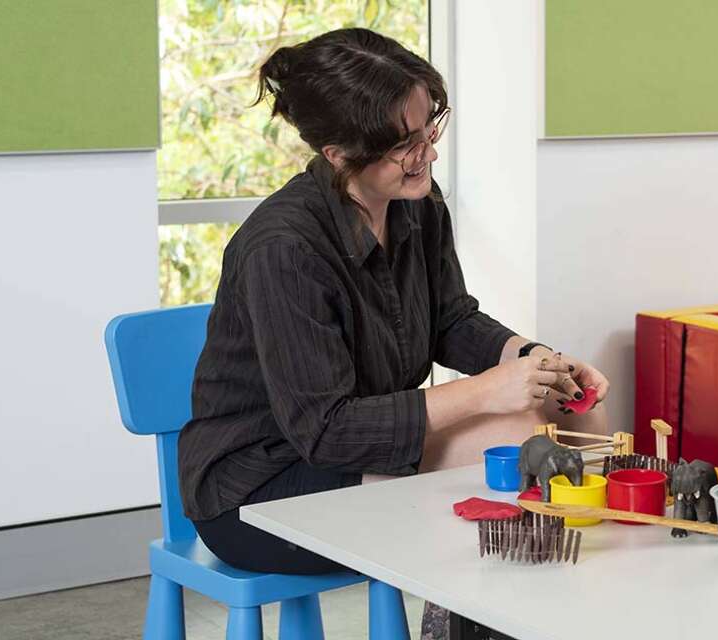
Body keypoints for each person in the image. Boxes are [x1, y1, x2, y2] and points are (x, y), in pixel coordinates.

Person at [178, 27, 609, 579]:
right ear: (338, 154)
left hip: (355, 451)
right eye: (405, 143)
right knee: (511, 444)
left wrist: (537, 359)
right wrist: (484, 391)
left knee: (570, 406)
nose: (427, 152)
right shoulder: (283, 249)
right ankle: (490, 614)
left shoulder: (417, 205)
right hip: (262, 484)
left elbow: (449, 320)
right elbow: (325, 430)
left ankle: (583, 591)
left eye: (429, 125)